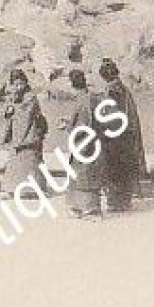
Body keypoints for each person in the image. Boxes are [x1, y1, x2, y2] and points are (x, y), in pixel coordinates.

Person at [96, 58, 144, 212]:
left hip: (115, 136)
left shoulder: (113, 90)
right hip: (125, 135)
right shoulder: (122, 88)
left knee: (115, 167)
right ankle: (123, 200)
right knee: (123, 167)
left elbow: (109, 114)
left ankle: (117, 202)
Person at [58, 70, 107, 218]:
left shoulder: (81, 101)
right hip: (93, 143)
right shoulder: (91, 98)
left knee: (82, 176)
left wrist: (67, 126)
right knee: (86, 176)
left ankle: (88, 209)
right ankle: (86, 208)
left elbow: (82, 127)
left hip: (84, 145)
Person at [0, 68, 47, 199]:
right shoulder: (14, 96)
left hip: (30, 133)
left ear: (26, 83)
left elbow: (27, 116)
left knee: (30, 161)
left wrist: (14, 110)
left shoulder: (31, 98)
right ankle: (12, 188)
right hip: (17, 134)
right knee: (16, 162)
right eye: (16, 84)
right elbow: (11, 112)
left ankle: (34, 189)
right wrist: (9, 112)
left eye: (21, 84)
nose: (19, 87)